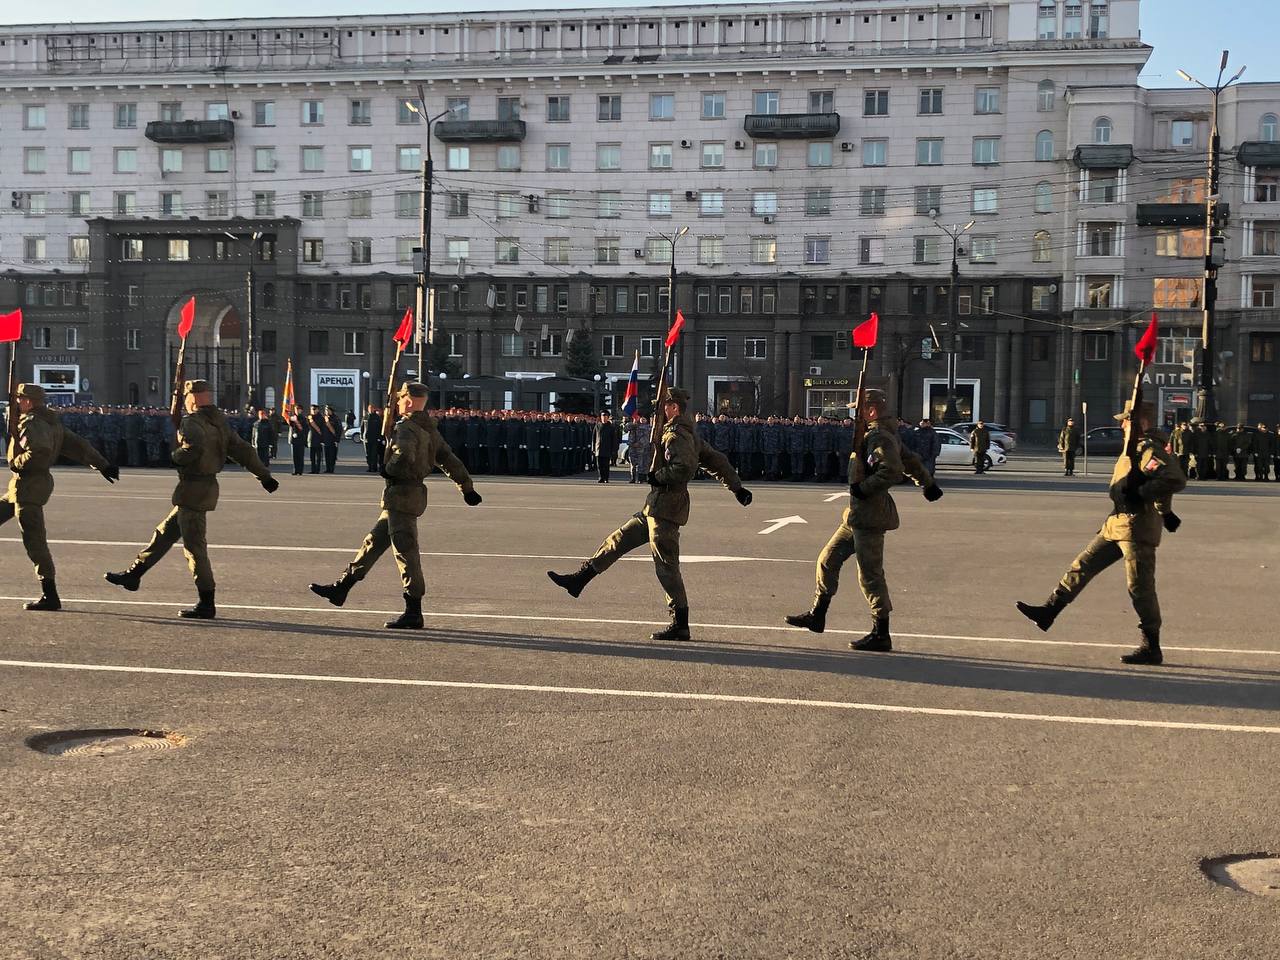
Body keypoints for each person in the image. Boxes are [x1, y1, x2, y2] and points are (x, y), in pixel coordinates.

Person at [1015, 399, 1186, 665]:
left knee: (1139, 588)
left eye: (1125, 419)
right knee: (1081, 565)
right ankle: (1049, 611)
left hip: (1135, 528)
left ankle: (1151, 645)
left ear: (1140, 422)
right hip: (1115, 524)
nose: (1121, 424)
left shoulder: (1146, 448)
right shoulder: (1132, 448)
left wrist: (1146, 496)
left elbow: (1173, 479)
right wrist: (1164, 510)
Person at [309, 383, 480, 629]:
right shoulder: (429, 429)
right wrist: (466, 487)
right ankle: (342, 588)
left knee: (406, 554)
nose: (398, 404)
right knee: (373, 542)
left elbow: (404, 455)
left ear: (408, 401)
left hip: (402, 495)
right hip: (404, 499)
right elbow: (448, 459)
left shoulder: (406, 428)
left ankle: (413, 612)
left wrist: (388, 468)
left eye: (400, 400)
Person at [104, 380, 278, 619]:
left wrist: (174, 456)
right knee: (163, 534)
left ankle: (206, 603)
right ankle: (134, 574)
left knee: (194, 549)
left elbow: (191, 451)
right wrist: (264, 476)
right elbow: (242, 450)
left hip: (193, 489)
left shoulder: (192, 422)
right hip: (201, 489)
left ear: (192, 398)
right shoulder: (219, 422)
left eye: (186, 396)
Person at [785, 389, 942, 652]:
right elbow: (911, 460)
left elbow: (892, 470)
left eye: (859, 409)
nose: (854, 413)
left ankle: (881, 632)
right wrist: (927, 483)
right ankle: (818, 614)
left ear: (871, 410)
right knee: (827, 559)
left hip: (870, 516)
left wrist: (864, 488)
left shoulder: (879, 435)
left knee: (870, 575)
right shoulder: (881, 432)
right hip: (856, 516)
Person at [546, 388, 703, 642]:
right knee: (618, 539)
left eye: (665, 405)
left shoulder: (680, 434)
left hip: (667, 510)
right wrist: (737, 486)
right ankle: (580, 580)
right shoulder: (670, 430)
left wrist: (657, 476)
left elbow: (684, 468)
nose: (661, 410)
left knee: (666, 567)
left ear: (675, 408)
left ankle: (680, 623)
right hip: (653, 507)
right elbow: (714, 461)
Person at [3, 383, 119, 611]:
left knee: (35, 542)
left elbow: (39, 452)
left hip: (29, 486)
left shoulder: (33, 423)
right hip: (24, 486)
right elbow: (78, 445)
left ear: (28, 401)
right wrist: (102, 464)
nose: (17, 402)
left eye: (19, 399)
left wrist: (15, 463)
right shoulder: (50, 422)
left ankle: (50, 595)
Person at [592, 412, 619, 483]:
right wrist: (593, 448)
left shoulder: (611, 427)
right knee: (599, 465)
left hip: (607, 448)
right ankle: (601, 477)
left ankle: (606, 478)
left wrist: (614, 450)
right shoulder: (597, 426)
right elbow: (594, 438)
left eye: (605, 417)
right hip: (598, 448)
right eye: (603, 416)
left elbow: (614, 439)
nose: (604, 418)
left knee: (606, 465)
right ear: (601, 417)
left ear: (607, 418)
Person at [362, 404, 385, 473]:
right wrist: (362, 436)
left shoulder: (377, 417)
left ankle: (374, 468)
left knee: (374, 454)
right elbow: (362, 427)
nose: (371, 409)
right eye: (370, 408)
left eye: (372, 408)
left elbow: (380, 428)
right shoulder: (365, 417)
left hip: (375, 439)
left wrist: (380, 438)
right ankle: (369, 467)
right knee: (368, 454)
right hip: (366, 439)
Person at [321, 405, 342, 473]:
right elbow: (322, 429)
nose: (326, 411)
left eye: (328, 410)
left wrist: (337, 440)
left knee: (332, 456)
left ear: (331, 411)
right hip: (326, 440)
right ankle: (327, 469)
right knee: (327, 455)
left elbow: (339, 430)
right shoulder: (324, 418)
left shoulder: (336, 419)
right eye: (326, 410)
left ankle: (331, 468)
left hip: (333, 440)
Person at [287, 410, 308, 476]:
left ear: (301, 410)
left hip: (301, 439)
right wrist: (289, 417)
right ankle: (295, 470)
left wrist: (299, 434)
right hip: (293, 439)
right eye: (296, 409)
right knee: (294, 456)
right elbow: (288, 424)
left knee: (300, 456)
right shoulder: (292, 418)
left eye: (298, 409)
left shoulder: (303, 419)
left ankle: (300, 470)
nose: (297, 411)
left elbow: (305, 429)